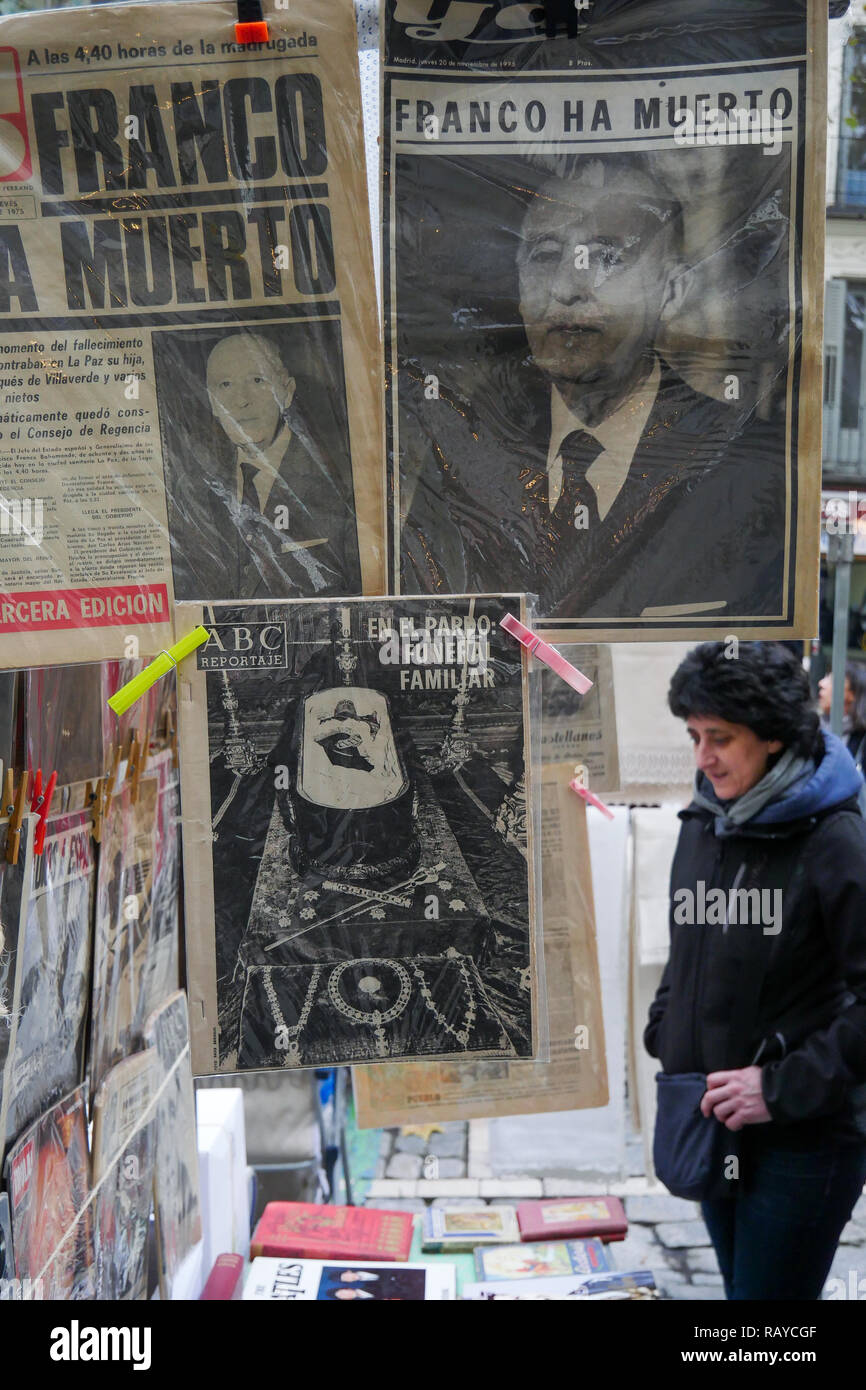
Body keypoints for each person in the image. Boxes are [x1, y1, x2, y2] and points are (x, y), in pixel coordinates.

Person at [401, 152, 785, 621]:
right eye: (544, 254)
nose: (566, 285)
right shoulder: (462, 453)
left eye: (608, 256)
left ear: (672, 290)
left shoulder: (741, 469)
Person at [645, 641, 866, 1301]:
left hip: (805, 1137)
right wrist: (667, 1027)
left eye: (721, 738)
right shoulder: (706, 817)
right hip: (711, 1116)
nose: (703, 757)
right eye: (693, 736)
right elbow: (691, 937)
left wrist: (780, 1085)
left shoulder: (835, 840)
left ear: (772, 739)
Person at [168, 330, 362, 600]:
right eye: (225, 385)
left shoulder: (342, 482)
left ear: (287, 391)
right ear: (212, 400)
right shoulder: (191, 488)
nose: (241, 400)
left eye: (258, 380)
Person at [818, 663, 866, 772]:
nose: (821, 683)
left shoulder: (862, 740)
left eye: (832, 680)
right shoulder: (814, 728)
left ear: (852, 694)